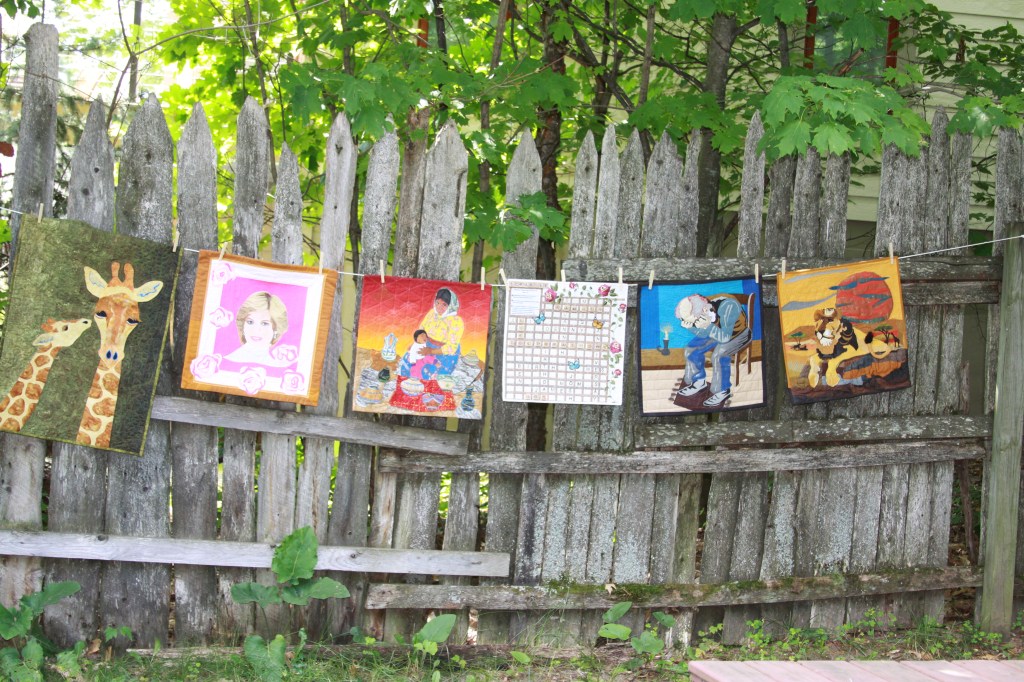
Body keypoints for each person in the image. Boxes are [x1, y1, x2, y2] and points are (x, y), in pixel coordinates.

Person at [675, 293, 750, 408]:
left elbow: (725, 338)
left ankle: (723, 390)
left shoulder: (729, 306)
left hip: (738, 334)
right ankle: (699, 381)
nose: (695, 323)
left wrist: (707, 326)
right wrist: (691, 327)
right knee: (691, 349)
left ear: (705, 311)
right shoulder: (702, 306)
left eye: (695, 321)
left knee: (718, 356)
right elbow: (703, 333)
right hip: (716, 330)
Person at [398, 287, 464, 380]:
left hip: (443, 352)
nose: (439, 307)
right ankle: (408, 383)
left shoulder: (456, 321)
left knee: (431, 371)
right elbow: (422, 330)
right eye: (437, 303)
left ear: (451, 306)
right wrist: (416, 343)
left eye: (444, 305)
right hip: (427, 344)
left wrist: (431, 351)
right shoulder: (432, 313)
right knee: (409, 359)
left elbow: (451, 347)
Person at [224, 291, 293, 366]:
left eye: (264, 323)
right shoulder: (228, 362)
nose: (256, 330)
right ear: (243, 326)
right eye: (250, 322)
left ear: (276, 329)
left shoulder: (277, 366)